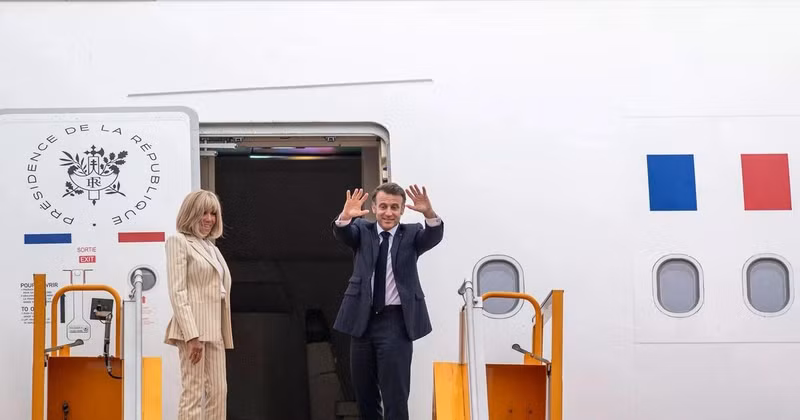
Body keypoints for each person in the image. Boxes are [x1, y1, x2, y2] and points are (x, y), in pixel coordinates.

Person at [332, 182, 444, 420]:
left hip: (396, 323)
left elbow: (433, 236)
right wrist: (345, 216)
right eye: (383, 206)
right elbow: (343, 233)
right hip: (362, 322)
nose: (388, 212)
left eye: (395, 207)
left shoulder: (412, 234)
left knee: (395, 395)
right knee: (364, 395)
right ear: (373, 207)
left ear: (402, 210)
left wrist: (429, 214)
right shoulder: (362, 230)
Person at [164, 190, 233, 420]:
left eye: (213, 213)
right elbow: (177, 291)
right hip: (192, 330)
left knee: (218, 392)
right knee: (193, 393)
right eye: (204, 212)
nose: (209, 219)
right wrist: (191, 336)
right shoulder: (178, 242)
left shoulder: (212, 248)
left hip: (215, 330)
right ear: (191, 214)